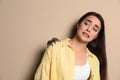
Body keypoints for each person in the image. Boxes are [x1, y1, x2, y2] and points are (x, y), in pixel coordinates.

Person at [34, 11, 107, 80]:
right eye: (86, 24)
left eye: (95, 29)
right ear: (78, 24)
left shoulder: (94, 60)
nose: (89, 29)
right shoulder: (55, 48)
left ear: (96, 36)